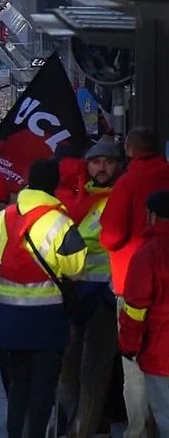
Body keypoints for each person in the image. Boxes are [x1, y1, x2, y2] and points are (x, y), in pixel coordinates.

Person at [0, 159, 87, 438]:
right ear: (54, 183)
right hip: (47, 317)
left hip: (9, 315)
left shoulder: (3, 217)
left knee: (18, 384)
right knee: (43, 386)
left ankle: (14, 433)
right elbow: (75, 268)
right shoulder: (60, 221)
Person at [101, 127, 169, 438]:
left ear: (129, 151)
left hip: (132, 280)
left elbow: (111, 236)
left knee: (136, 364)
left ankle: (140, 429)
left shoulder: (129, 182)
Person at [57, 139, 123, 438]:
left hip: (107, 296)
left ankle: (82, 430)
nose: (101, 168)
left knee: (93, 371)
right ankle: (72, 424)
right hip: (76, 293)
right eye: (96, 162)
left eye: (107, 162)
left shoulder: (121, 197)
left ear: (118, 165)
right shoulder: (77, 196)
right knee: (69, 367)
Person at [117, 190, 169, 429]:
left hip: (161, 353)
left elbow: (135, 307)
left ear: (151, 216)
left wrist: (128, 346)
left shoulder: (148, 253)